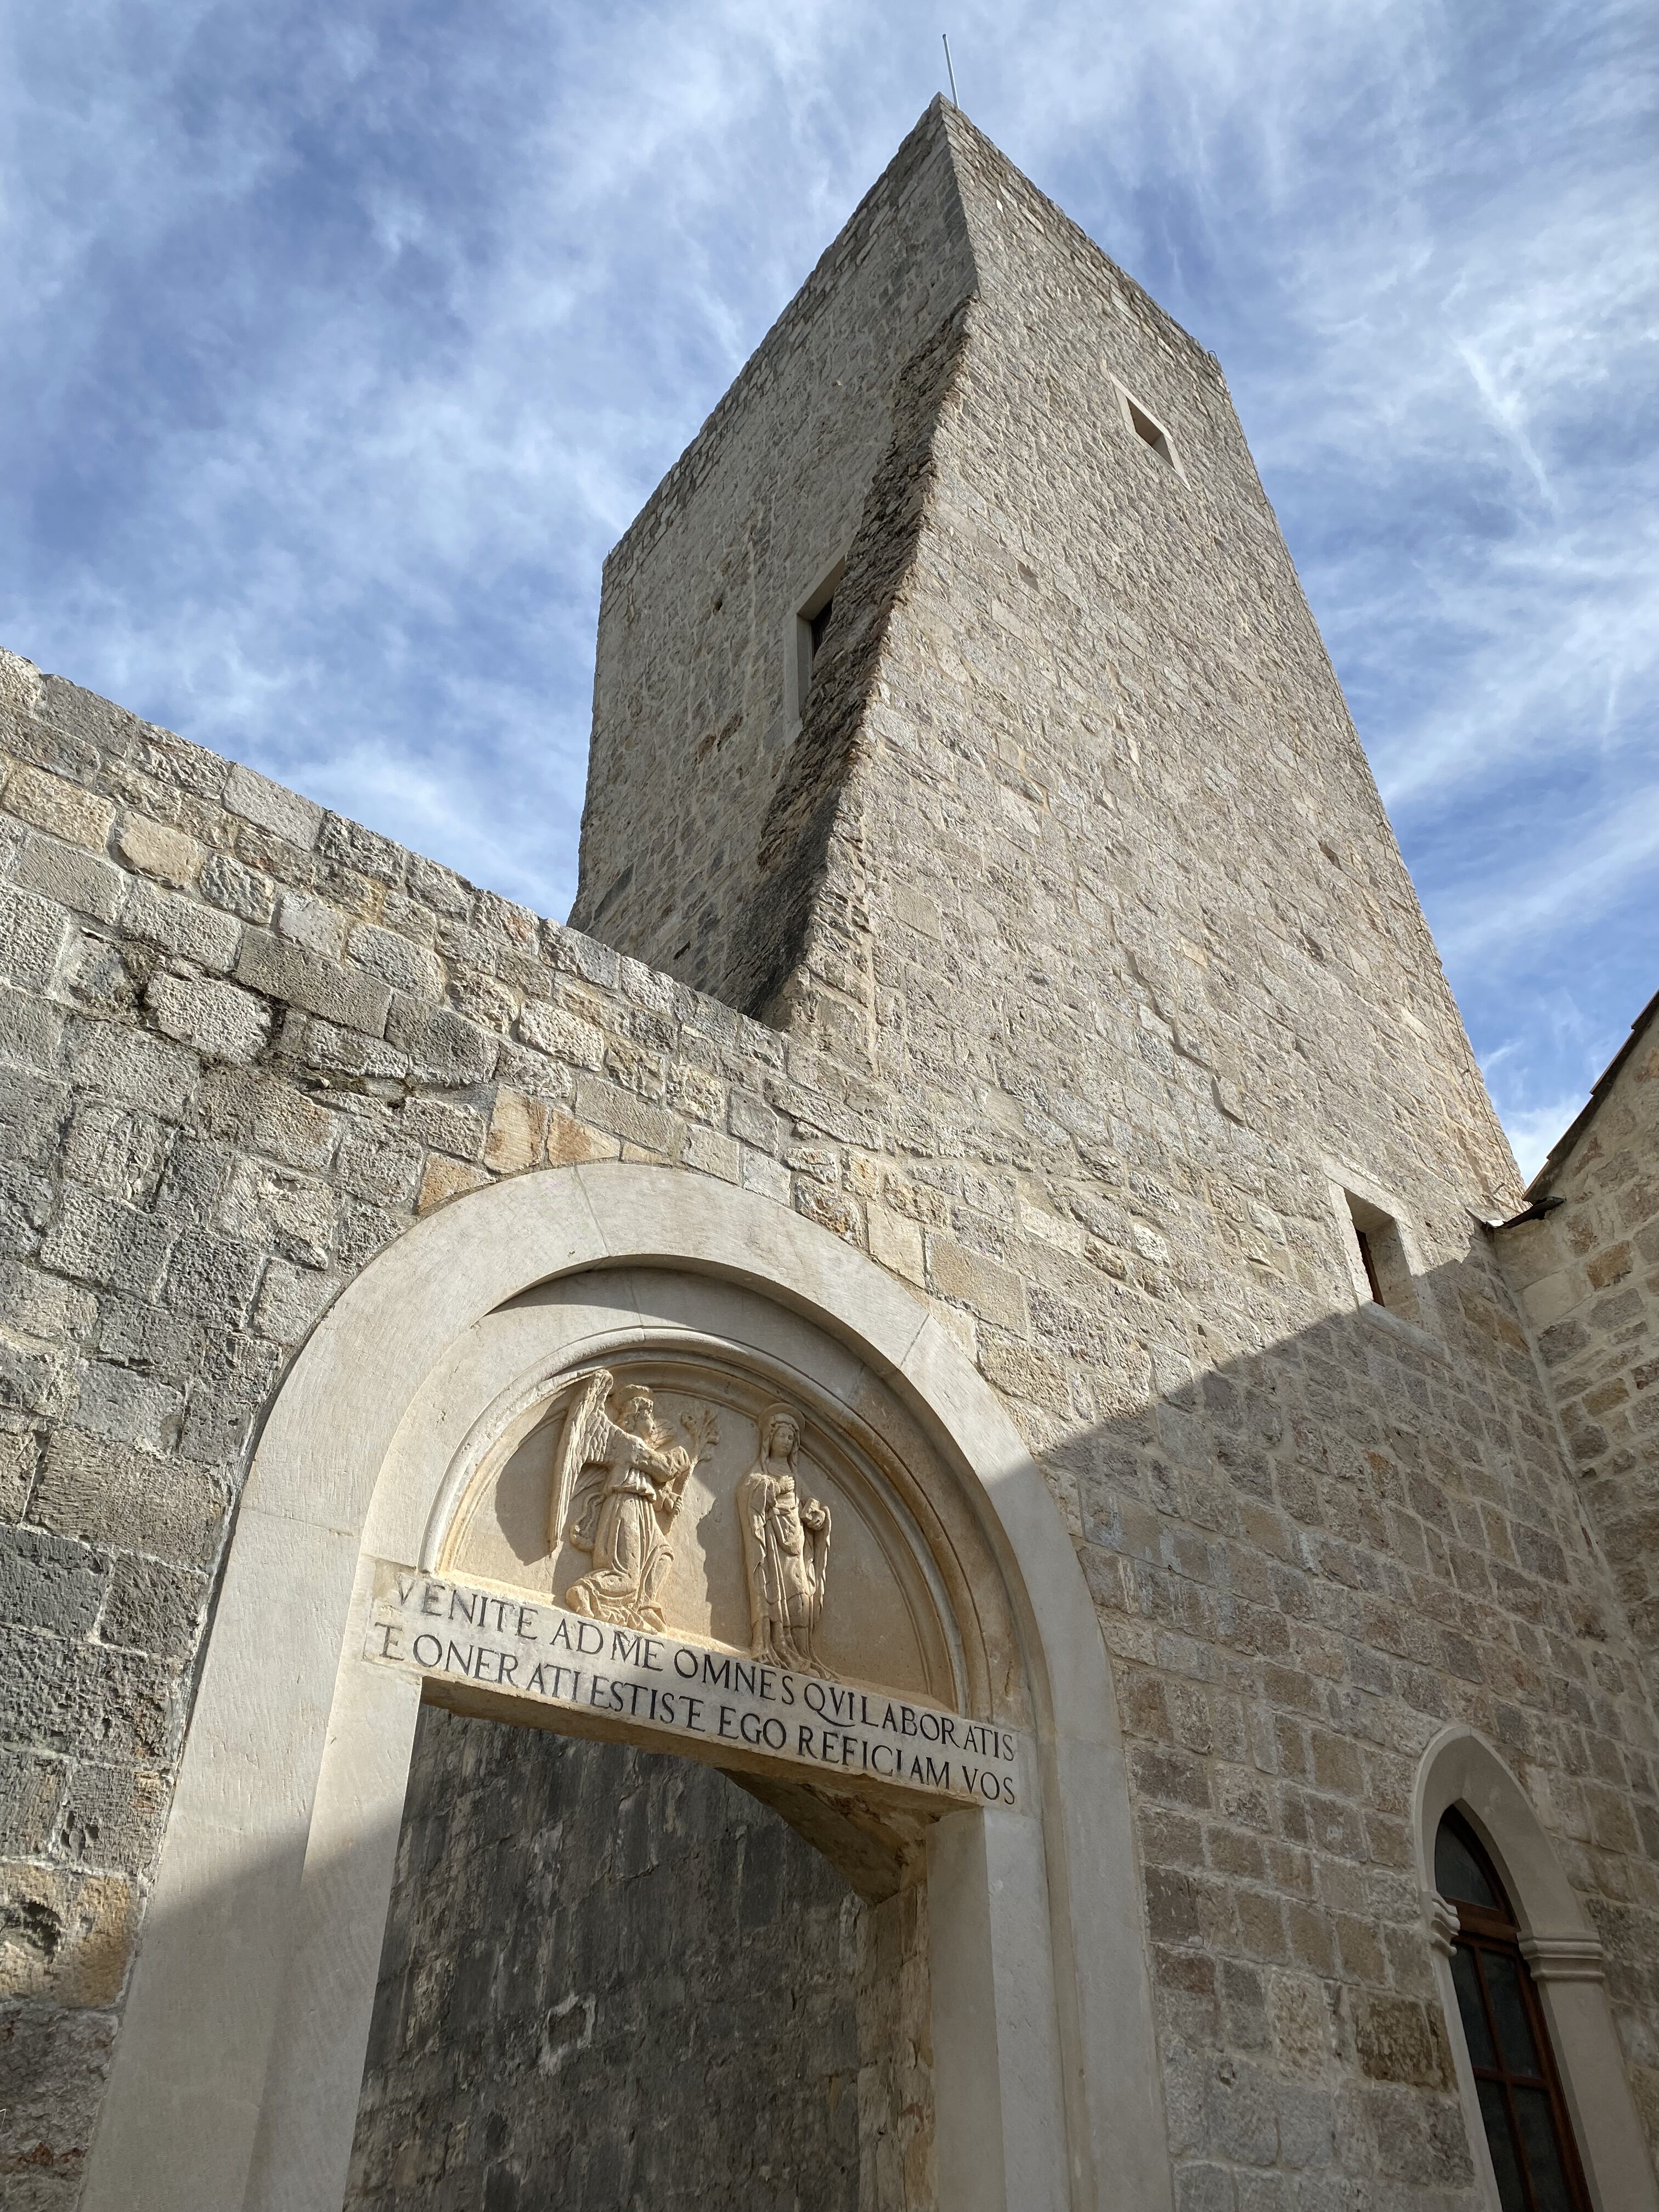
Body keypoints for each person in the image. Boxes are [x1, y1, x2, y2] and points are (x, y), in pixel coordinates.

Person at [736, 1403, 832, 1672]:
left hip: (796, 1544)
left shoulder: (795, 1477)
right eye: (782, 1436)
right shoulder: (761, 1472)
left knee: (800, 1595)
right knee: (775, 1592)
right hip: (771, 1546)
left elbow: (810, 1503)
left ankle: (800, 1651)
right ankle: (776, 1643)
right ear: (770, 1437)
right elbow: (747, 1491)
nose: (787, 1442)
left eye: (791, 1438)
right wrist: (775, 1487)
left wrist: (818, 1517)